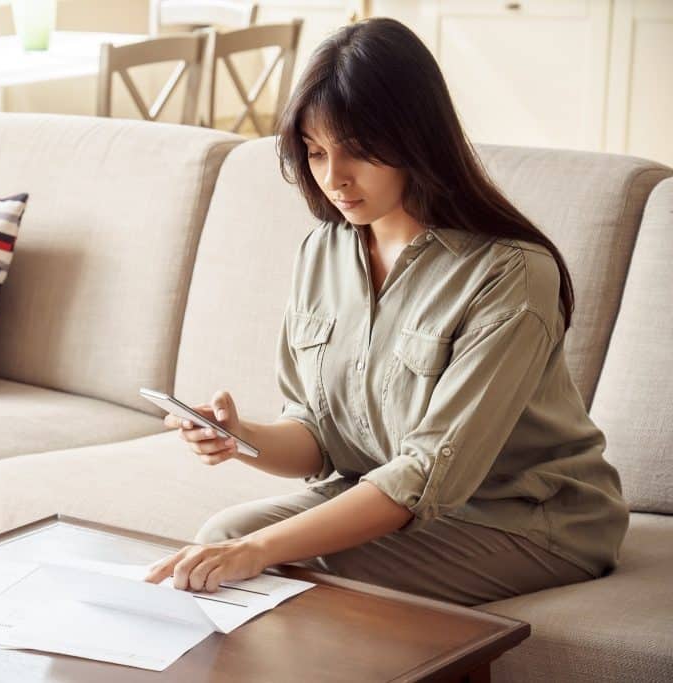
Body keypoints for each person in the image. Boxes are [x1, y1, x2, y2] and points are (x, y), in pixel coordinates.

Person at [143, 17, 629, 606]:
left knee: (270, 567)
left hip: (526, 520)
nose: (332, 179)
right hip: (387, 496)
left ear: (414, 140)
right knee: (221, 538)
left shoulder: (511, 274)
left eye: (356, 153)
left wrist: (259, 550)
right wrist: (240, 436)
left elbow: (424, 474)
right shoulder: (326, 250)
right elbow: (321, 437)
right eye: (316, 152)